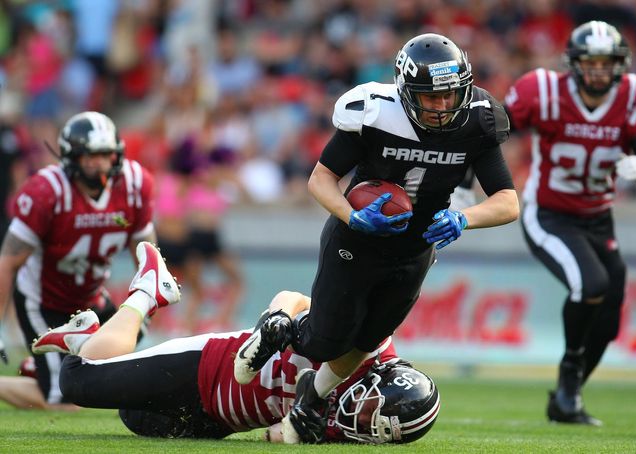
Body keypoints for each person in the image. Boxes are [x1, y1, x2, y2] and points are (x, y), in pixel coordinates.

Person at [234, 32, 519, 443]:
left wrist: (463, 218)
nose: (441, 107)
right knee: (326, 341)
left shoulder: (479, 119)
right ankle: (282, 322)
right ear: (405, 93)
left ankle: (309, 402)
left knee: (368, 341)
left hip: (417, 248)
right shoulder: (374, 111)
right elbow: (321, 179)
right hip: (358, 241)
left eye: (449, 95)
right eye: (430, 97)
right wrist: (353, 217)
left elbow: (508, 202)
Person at [32, 241, 440, 444]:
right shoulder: (367, 342)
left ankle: (90, 335)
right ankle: (147, 292)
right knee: (76, 383)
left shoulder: (352, 429)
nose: (361, 418)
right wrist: (275, 318)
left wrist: (295, 433)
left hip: (222, 420)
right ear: (383, 377)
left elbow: (275, 436)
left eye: (374, 427)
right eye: (372, 410)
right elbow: (295, 299)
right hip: (210, 367)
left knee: (137, 419)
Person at [503, 21, 636, 425]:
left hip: (598, 218)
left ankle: (567, 398)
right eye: (590, 62)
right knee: (590, 284)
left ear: (620, 65)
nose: (597, 71)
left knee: (609, 316)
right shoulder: (543, 92)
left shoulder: (635, 99)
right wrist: (472, 181)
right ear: (574, 65)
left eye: (606, 63)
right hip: (548, 214)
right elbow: (492, 131)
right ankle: (567, 374)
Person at [0, 111, 157, 409]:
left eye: (105, 154)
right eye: (90, 155)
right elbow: (8, 261)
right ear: (72, 157)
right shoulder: (47, 191)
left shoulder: (134, 185)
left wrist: (145, 301)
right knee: (69, 398)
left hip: (91, 299)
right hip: (43, 302)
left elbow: (145, 252)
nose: (99, 162)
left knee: (117, 366)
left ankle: (41, 371)